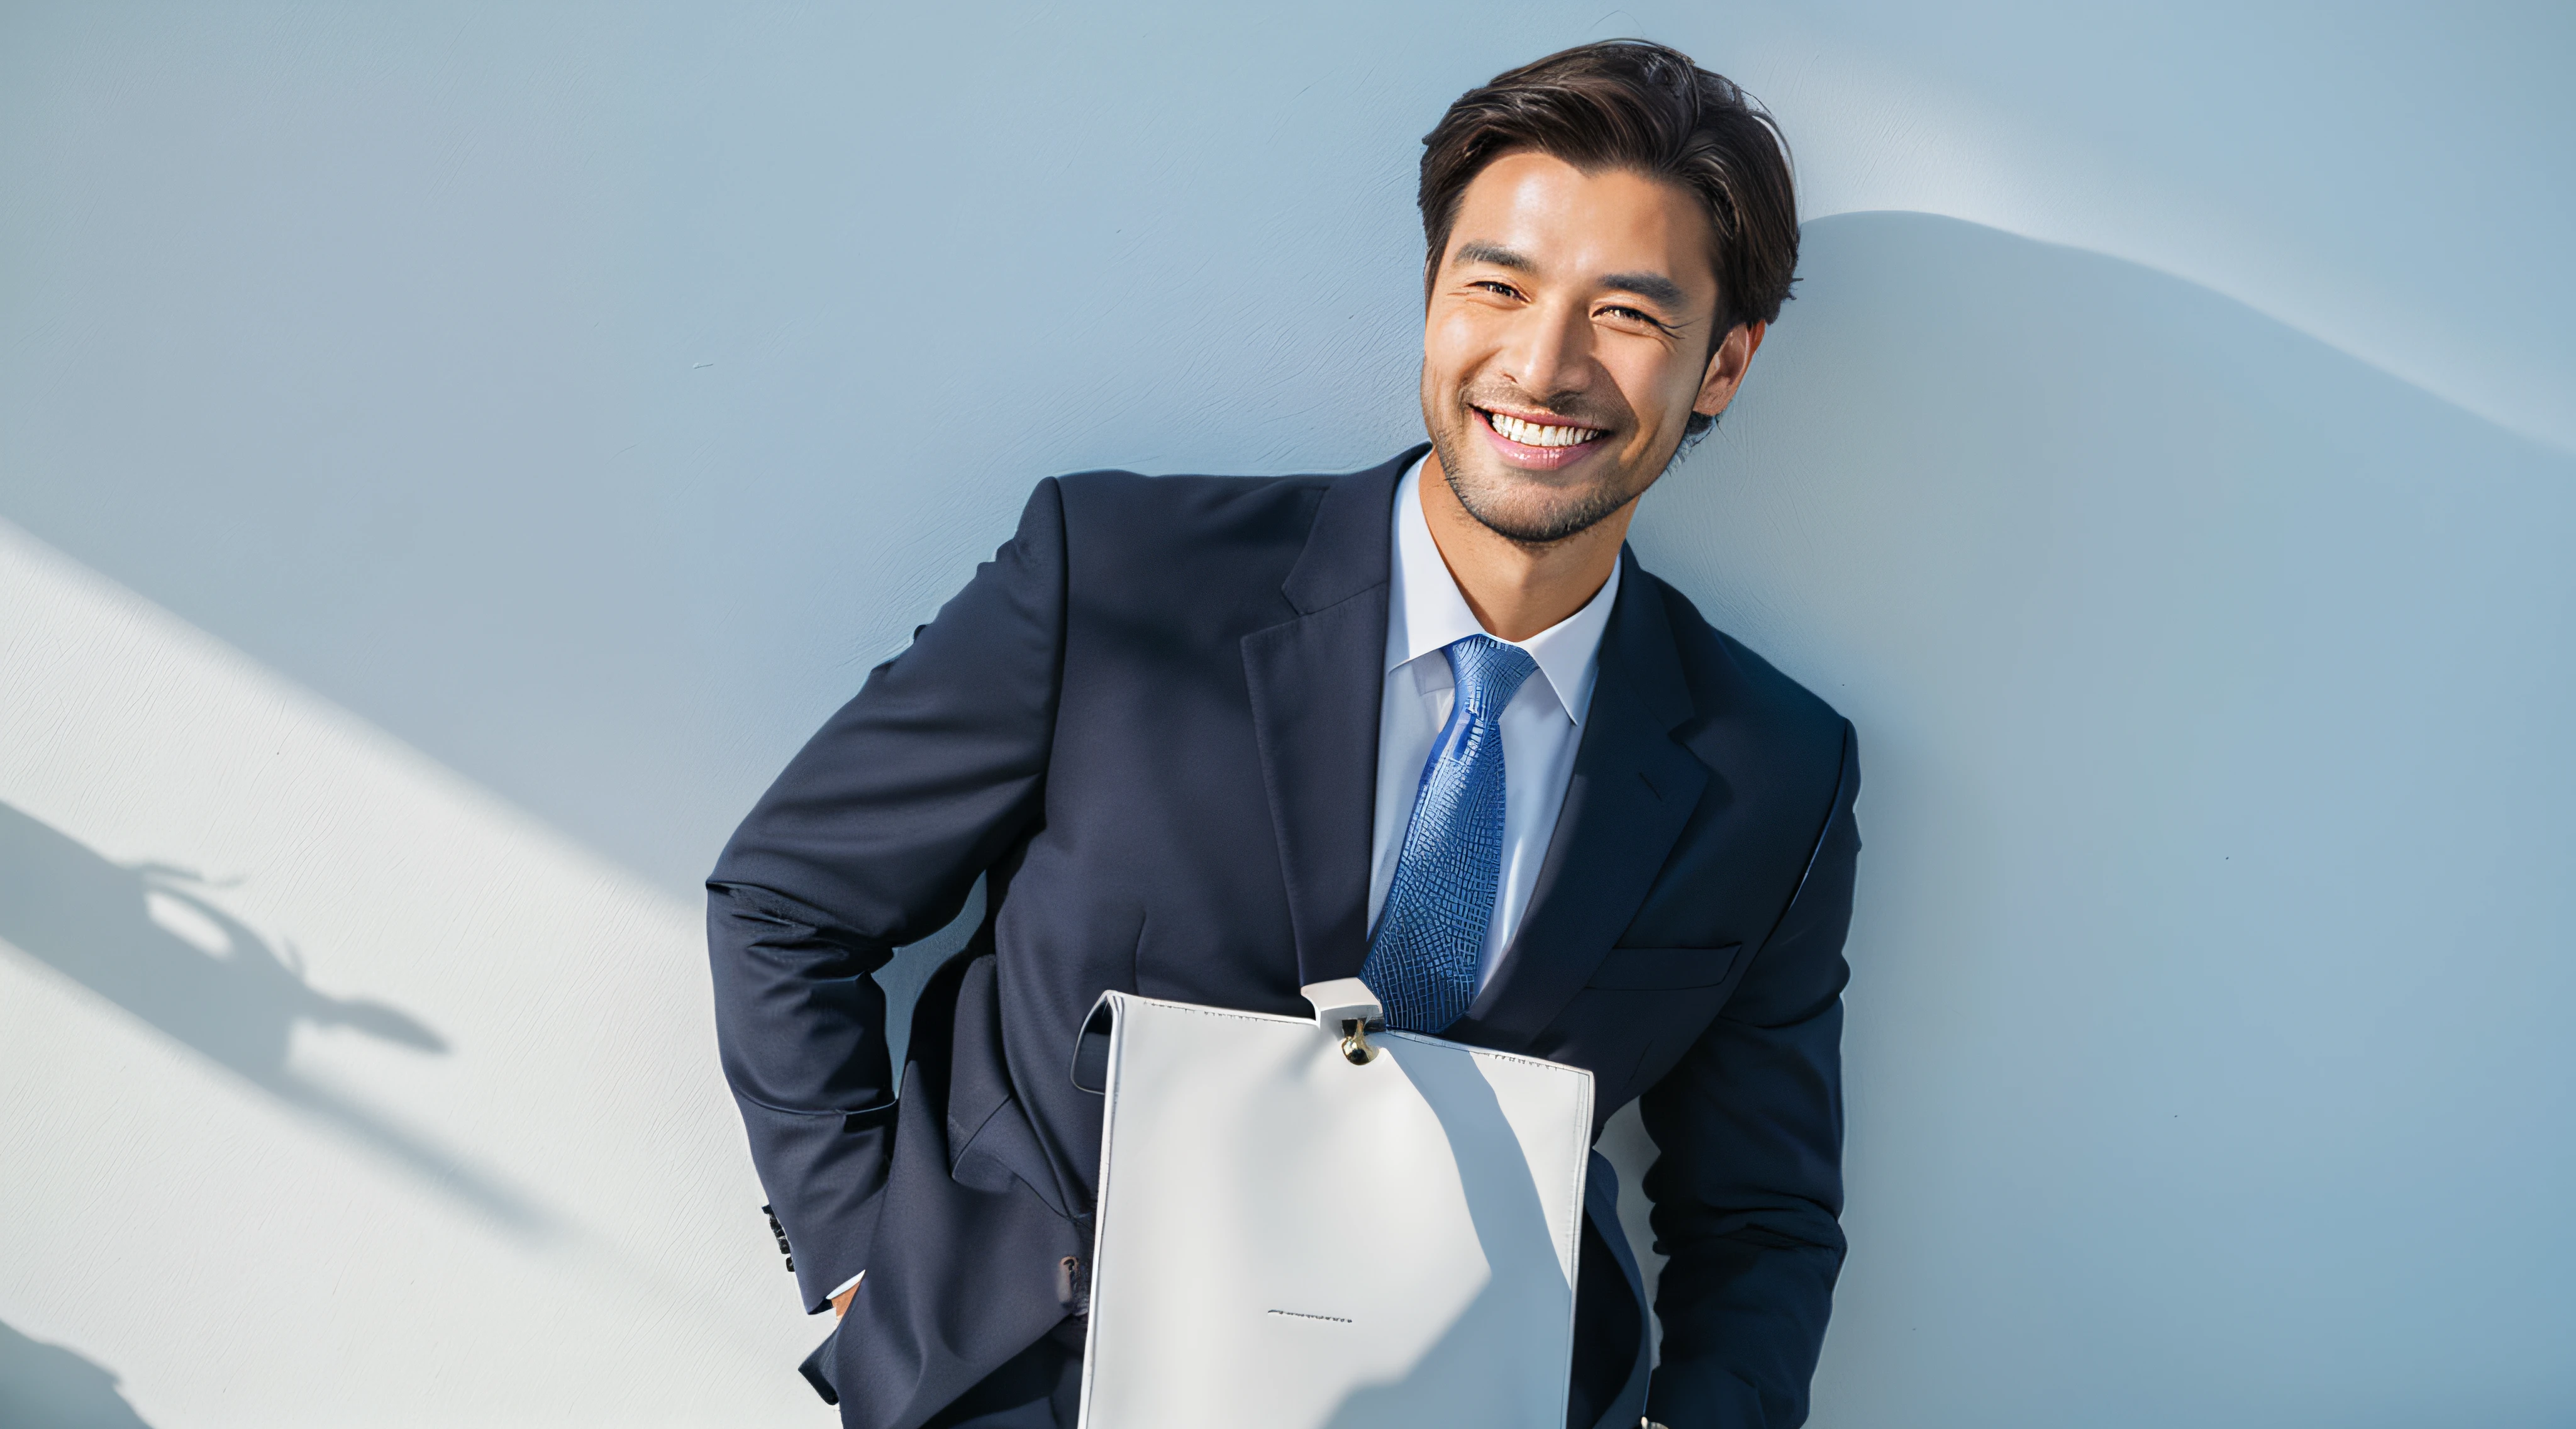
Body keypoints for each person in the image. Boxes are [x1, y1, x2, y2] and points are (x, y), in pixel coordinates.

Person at [708, 38, 1859, 1429]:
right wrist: (858, 1270)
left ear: (1722, 362)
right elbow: (786, 901)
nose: (1540, 364)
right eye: (1495, 285)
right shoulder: (1117, 575)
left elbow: (1757, 1210)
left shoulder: (1771, 772)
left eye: (1625, 314)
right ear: (1432, 299)